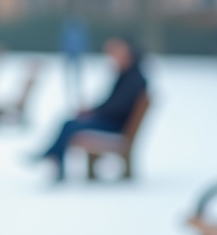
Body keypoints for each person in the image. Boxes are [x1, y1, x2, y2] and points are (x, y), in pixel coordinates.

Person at [35, 36, 147, 182]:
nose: (113, 59)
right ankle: (53, 157)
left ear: (128, 55)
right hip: (112, 122)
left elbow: (117, 108)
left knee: (70, 126)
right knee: (69, 123)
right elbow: (112, 104)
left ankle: (53, 157)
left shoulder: (133, 79)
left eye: (116, 54)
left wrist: (94, 112)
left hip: (115, 126)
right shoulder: (128, 75)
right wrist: (92, 111)